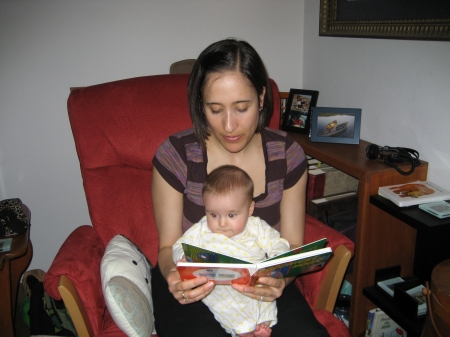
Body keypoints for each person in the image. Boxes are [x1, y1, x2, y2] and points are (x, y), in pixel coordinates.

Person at [151, 38, 330, 337]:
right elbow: (167, 247)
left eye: (242, 107)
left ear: (261, 98)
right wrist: (173, 274)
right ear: (200, 103)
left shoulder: (287, 155)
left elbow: (293, 245)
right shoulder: (177, 155)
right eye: (215, 109)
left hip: (260, 286)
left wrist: (280, 282)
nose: (229, 125)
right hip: (195, 285)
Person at [172, 165, 291, 337]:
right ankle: (243, 330)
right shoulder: (201, 229)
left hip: (253, 280)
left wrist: (276, 259)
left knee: (265, 296)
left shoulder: (256, 227)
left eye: (232, 215)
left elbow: (278, 243)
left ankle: (263, 322)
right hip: (220, 284)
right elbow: (178, 245)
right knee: (223, 302)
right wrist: (183, 257)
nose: (222, 223)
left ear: (249, 209)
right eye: (213, 214)